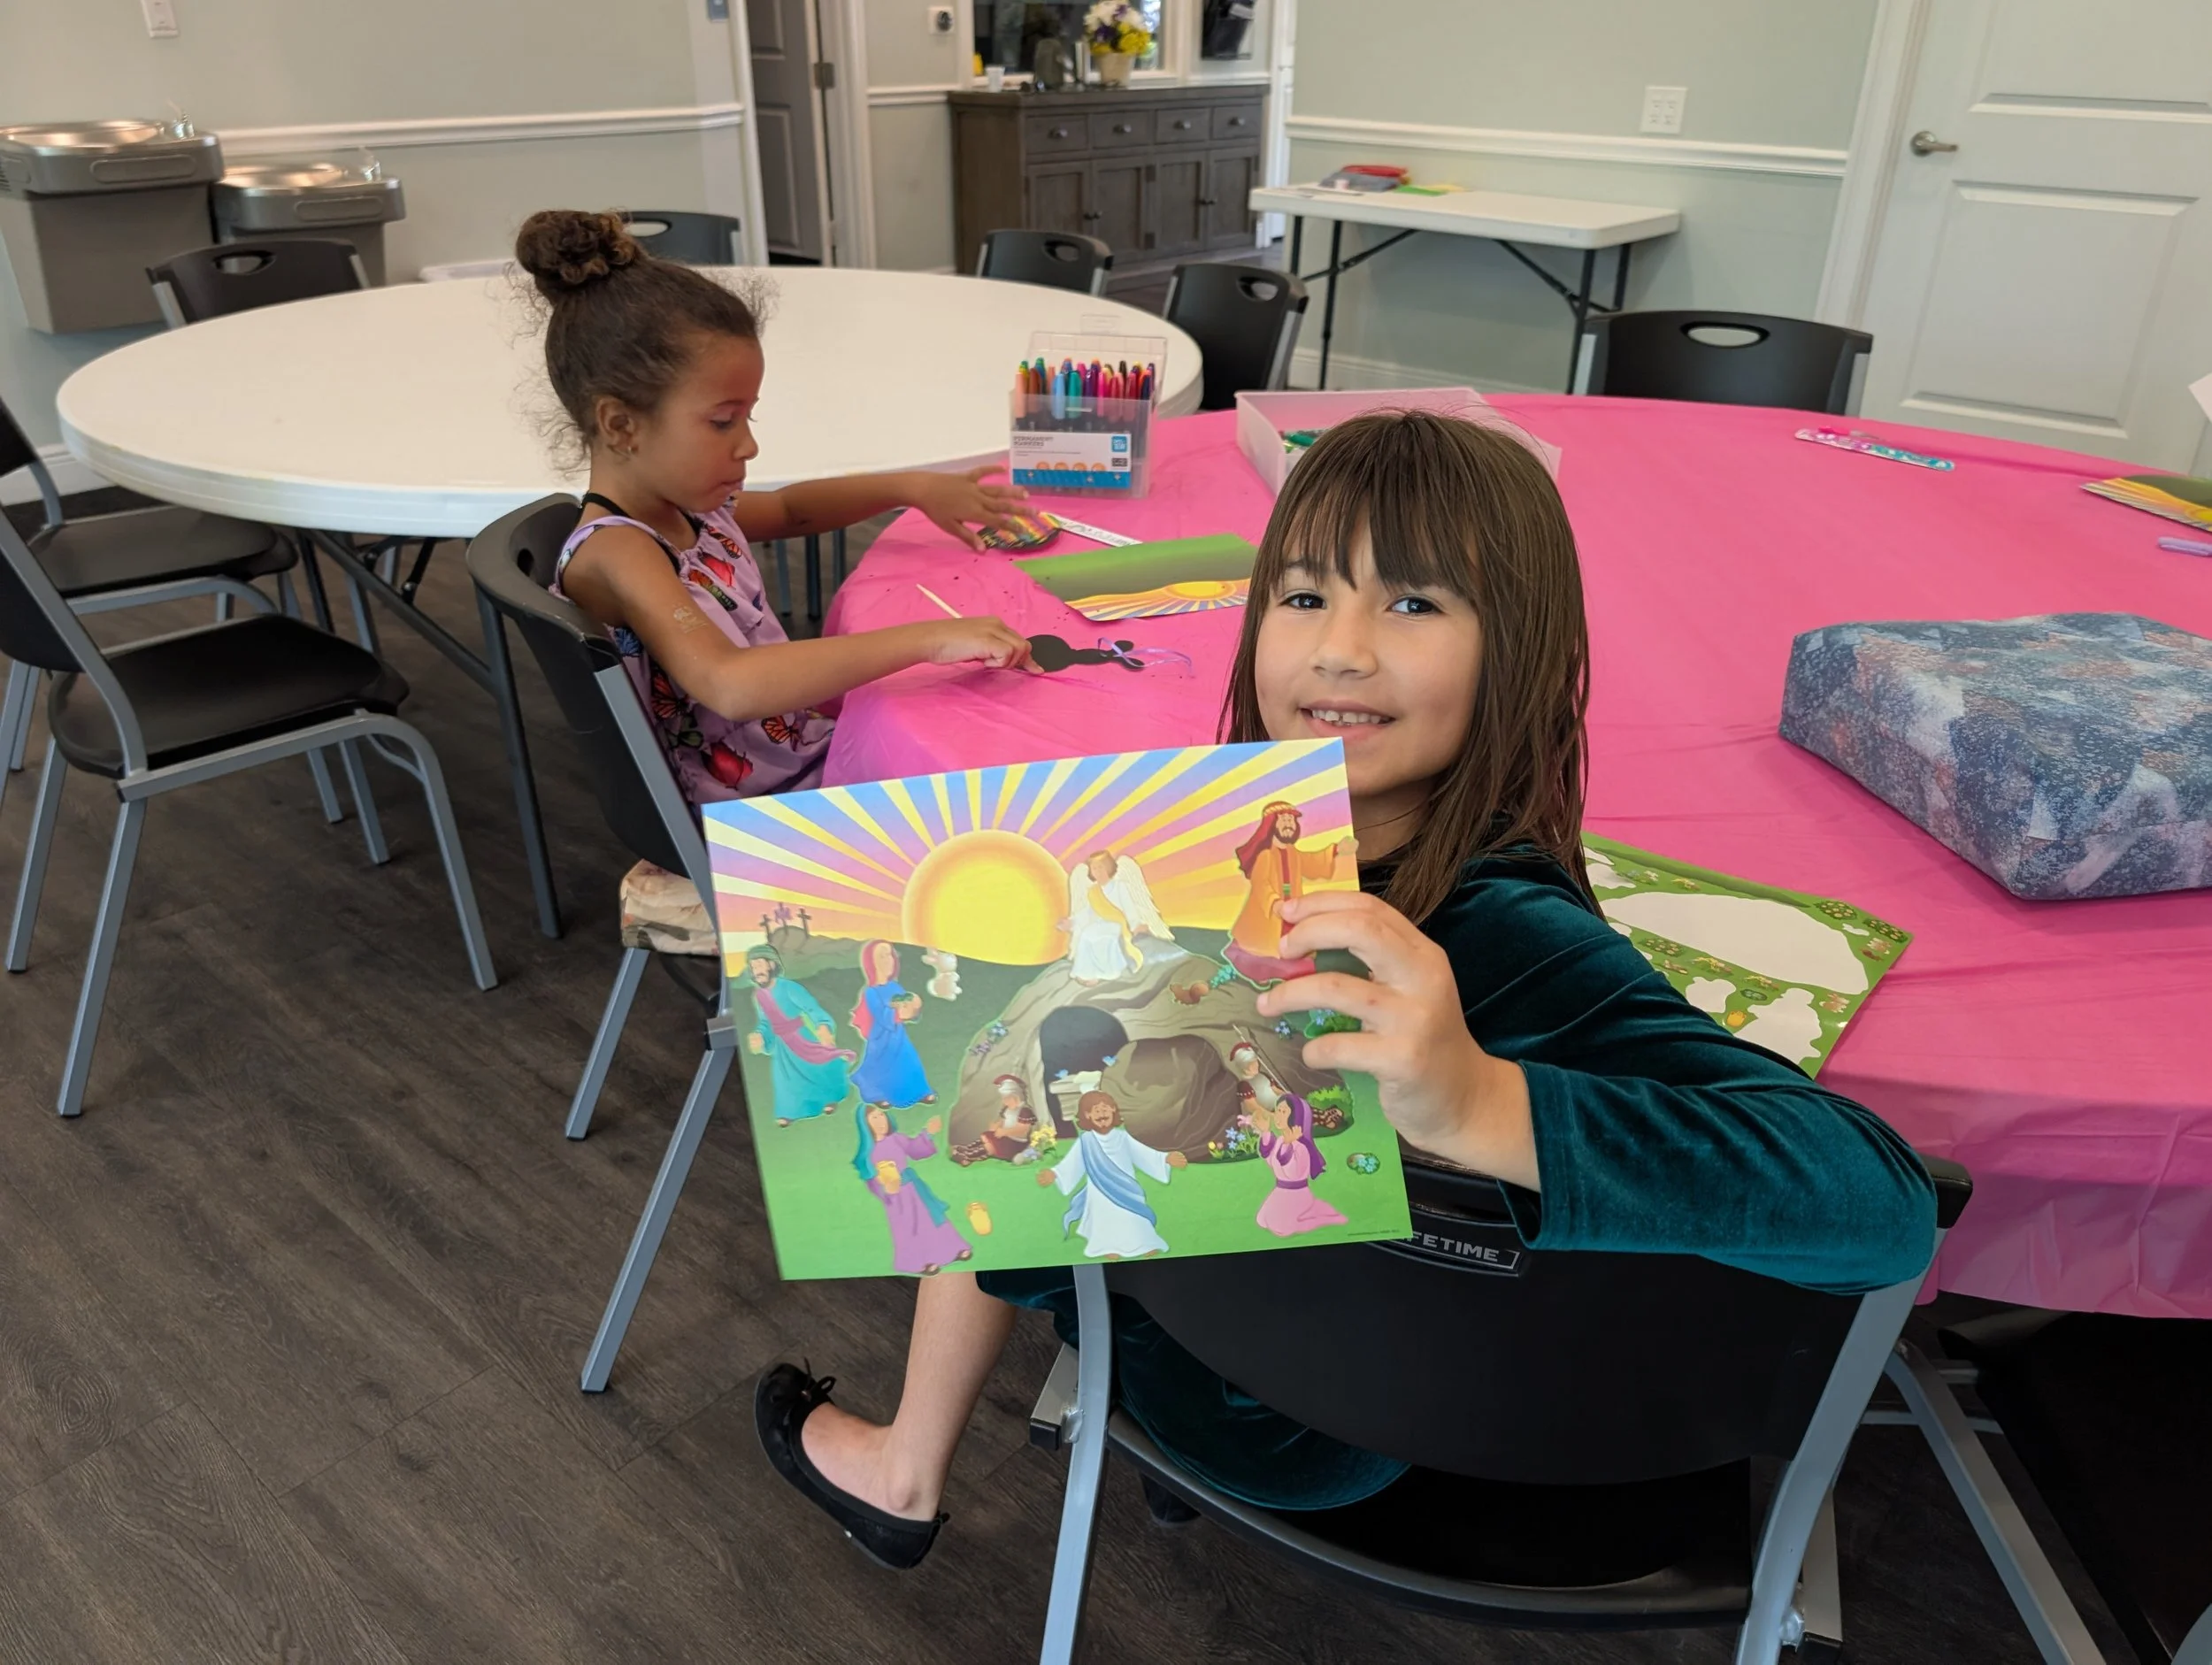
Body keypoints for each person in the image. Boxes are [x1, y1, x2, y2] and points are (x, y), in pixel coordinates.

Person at [754, 410, 1939, 1570]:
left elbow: (1881, 1205)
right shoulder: (1217, 856)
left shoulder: (1502, 925)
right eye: (1305, 595)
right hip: (1295, 1349)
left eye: (1413, 604)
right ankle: (909, 1464)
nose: (1341, 648)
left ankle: (906, 1464)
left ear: (1518, 650)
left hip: (1289, 1417)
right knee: (1014, 1024)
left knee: (1003, 1044)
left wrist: (1486, 1102)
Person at [514, 209, 1037, 819]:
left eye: (748, 417)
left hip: (799, 756)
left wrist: (912, 487)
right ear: (621, 424)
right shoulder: (619, 551)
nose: (748, 446)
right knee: (1004, 789)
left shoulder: (690, 509)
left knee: (984, 739)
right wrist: (930, 638)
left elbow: (792, 510)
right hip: (762, 811)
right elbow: (729, 682)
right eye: (722, 421)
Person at [1039, 1090, 1187, 1260]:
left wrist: (1165, 1159)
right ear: (1087, 1115)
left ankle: (1145, 1243)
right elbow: (1072, 1163)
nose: (1101, 1114)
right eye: (1096, 1110)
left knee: (1133, 1216)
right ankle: (1108, 1246)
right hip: (1100, 1192)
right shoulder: (1086, 1141)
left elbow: (1143, 1154)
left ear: (1113, 1110)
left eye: (1105, 1109)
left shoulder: (1122, 1138)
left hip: (1127, 1188)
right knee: (1106, 1216)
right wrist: (1055, 1174)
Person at [1225, 802, 1354, 984]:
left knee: (1297, 953)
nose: (1289, 824)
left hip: (1291, 911)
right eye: (1284, 820)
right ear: (1272, 825)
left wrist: (1336, 850)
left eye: (1291, 820)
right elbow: (1261, 884)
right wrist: (1274, 903)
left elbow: (1312, 862)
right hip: (1269, 915)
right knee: (1262, 952)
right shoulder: (1265, 856)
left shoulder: (1294, 854)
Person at [855, 1106, 972, 1277]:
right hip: (896, 1197)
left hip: (913, 1188)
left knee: (931, 1218)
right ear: (865, 1124)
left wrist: (928, 1133)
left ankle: (954, 1249)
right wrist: (885, 1187)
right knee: (909, 1227)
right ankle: (919, 1262)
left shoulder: (896, 1139)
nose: (881, 1121)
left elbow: (915, 1149)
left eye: (882, 1115)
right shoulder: (868, 1153)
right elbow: (871, 1180)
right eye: (874, 1118)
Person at [742, 947, 853, 1126]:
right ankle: (788, 1112)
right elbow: (765, 1021)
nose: (757, 971)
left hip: (800, 1037)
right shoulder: (759, 996)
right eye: (753, 967)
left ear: (771, 965)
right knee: (784, 1080)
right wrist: (759, 1035)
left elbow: (811, 1008)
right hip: (781, 1045)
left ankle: (829, 1098)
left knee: (817, 1068)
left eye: (760, 965)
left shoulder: (789, 988)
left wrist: (822, 1025)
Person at [1064, 849, 1175, 984]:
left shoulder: (1119, 886)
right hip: (1100, 924)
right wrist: (1073, 922)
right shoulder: (1093, 891)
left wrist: (1135, 924)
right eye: (1094, 868)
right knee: (1086, 934)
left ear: (1108, 867)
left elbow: (1129, 907)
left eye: (1100, 867)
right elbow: (1088, 912)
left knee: (1104, 938)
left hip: (1118, 925)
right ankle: (1087, 973)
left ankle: (1109, 972)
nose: (1098, 871)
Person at [849, 940, 933, 1110]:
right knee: (879, 1065)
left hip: (898, 1037)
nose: (888, 960)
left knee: (909, 1060)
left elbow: (908, 1009)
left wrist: (914, 1009)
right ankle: (875, 1093)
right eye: (882, 956)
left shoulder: (895, 987)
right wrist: (898, 1014)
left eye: (890, 955)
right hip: (880, 1037)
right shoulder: (871, 992)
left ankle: (919, 1091)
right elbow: (880, 1014)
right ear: (871, 963)